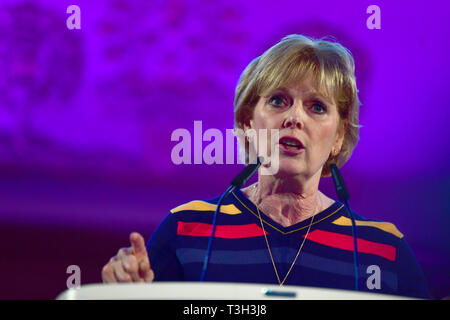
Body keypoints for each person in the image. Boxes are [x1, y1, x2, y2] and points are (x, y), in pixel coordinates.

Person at [101, 34, 430, 299]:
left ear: (339, 137)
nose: (294, 118)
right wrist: (125, 293)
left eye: (316, 107)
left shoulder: (384, 250)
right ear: (248, 122)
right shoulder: (186, 229)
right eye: (278, 100)